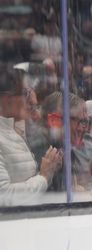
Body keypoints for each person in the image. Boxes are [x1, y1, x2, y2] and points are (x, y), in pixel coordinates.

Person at [0, 68, 62, 205]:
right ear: (5, 99)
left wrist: (51, 169)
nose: (31, 98)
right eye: (24, 93)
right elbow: (4, 196)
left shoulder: (21, 131)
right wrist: (43, 177)